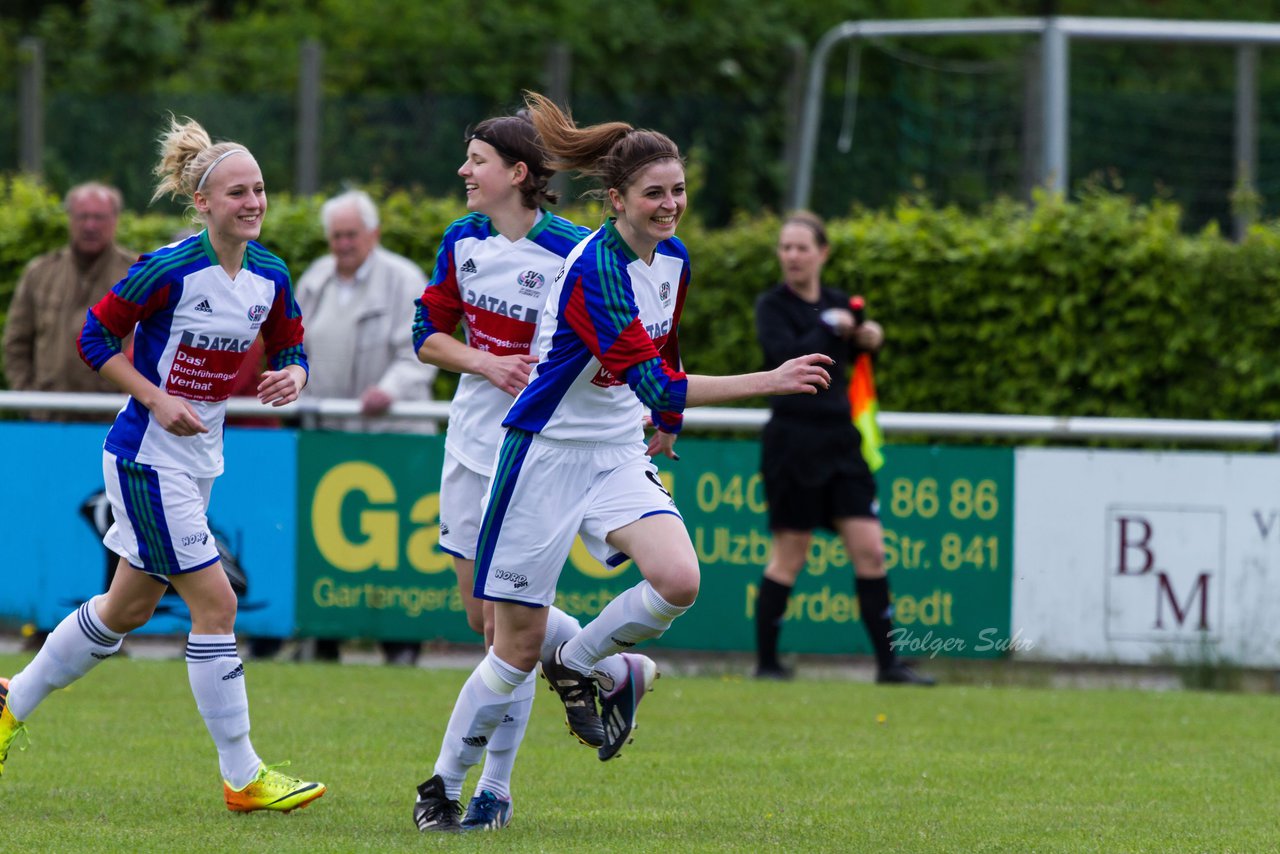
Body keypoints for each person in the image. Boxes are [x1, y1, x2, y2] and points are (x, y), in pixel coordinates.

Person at [410, 91, 833, 832]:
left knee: (679, 578)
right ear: (617, 200)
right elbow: (657, 378)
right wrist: (767, 380)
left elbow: (664, 350)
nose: (670, 206)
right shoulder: (593, 269)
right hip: (542, 454)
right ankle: (446, 787)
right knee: (508, 644)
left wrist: (664, 423)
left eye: (677, 191)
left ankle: (580, 664)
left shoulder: (672, 259)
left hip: (612, 451)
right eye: (654, 194)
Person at [0, 115, 326, 813]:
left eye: (260, 189)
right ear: (203, 203)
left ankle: (10, 701)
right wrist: (154, 395)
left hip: (199, 460)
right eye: (237, 192)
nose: (254, 202)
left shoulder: (269, 273)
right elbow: (95, 335)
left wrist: (293, 376)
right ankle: (243, 777)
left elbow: (292, 346)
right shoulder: (170, 268)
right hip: (147, 459)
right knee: (219, 604)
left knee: (125, 608)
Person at [412, 108, 658, 831]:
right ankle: (614, 670)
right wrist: (483, 360)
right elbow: (427, 336)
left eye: (477, 159)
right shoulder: (462, 239)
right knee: (483, 619)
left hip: (541, 452)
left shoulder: (575, 252)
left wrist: (643, 408)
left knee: (504, 636)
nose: (464, 171)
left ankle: (495, 789)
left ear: (519, 175)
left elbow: (628, 346)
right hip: (470, 447)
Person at [752, 211, 934, 686]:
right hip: (793, 441)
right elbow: (785, 360)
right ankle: (767, 664)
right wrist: (832, 327)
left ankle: (889, 665)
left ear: (822, 253)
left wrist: (871, 338)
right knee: (791, 553)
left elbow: (853, 359)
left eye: (801, 247)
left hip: (841, 443)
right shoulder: (772, 306)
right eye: (785, 247)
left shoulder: (838, 303)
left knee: (871, 549)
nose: (791, 256)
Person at [295, 189, 438, 666]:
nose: (343, 244)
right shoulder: (314, 280)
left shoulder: (404, 279)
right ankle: (323, 642)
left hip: (392, 439)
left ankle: (400, 646)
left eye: (351, 234)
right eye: (336, 235)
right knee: (326, 550)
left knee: (392, 548)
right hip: (329, 438)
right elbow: (295, 349)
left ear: (372, 234)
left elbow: (421, 350)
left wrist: (391, 390)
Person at [3, 182, 137, 417]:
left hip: (115, 418)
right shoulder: (39, 272)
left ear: (115, 219)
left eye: (99, 217)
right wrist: (29, 399)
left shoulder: (136, 274)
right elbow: (16, 343)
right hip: (49, 418)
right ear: (70, 219)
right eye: (82, 216)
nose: (90, 225)